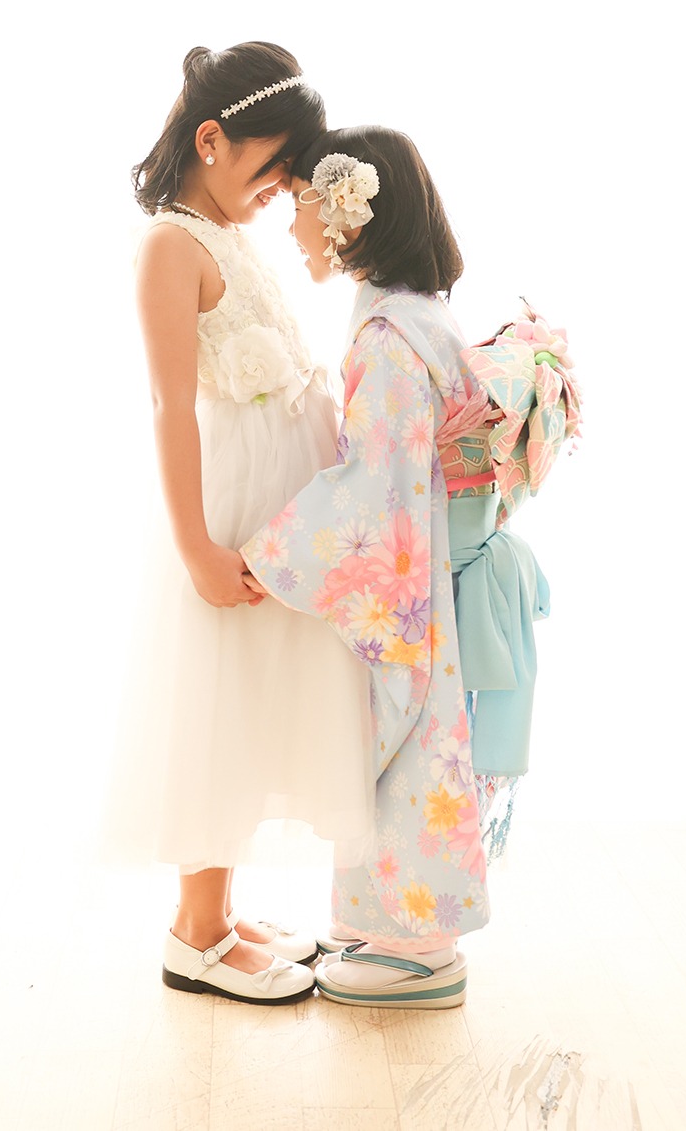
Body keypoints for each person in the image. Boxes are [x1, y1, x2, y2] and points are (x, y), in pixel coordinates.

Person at [241, 127, 579, 1009]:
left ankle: (420, 947)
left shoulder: (391, 337)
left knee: (410, 753)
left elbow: (373, 488)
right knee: (410, 750)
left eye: (303, 207)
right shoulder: (410, 312)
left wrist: (265, 554)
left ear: (352, 215)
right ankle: (382, 923)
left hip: (416, 569)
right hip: (434, 559)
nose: (293, 227)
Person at [110, 45, 374, 1007]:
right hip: (227, 507)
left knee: (254, 704)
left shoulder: (227, 235)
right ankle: (196, 933)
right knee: (215, 706)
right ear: (211, 140)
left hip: (274, 511)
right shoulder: (170, 245)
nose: (280, 189)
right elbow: (170, 406)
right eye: (272, 167)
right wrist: (196, 548)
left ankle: (220, 912)